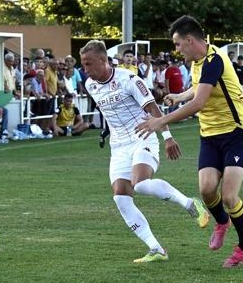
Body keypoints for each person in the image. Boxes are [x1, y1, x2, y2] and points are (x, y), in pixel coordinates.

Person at [135, 15, 243, 268]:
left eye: (178, 44)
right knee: (206, 189)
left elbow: (199, 102)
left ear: (190, 40)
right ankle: (222, 222)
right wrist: (180, 96)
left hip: (237, 135)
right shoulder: (197, 61)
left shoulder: (214, 61)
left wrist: (161, 121)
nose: (176, 49)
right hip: (210, 136)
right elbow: (200, 89)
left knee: (230, 197)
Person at [79, 39, 209, 263]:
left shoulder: (128, 79)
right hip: (119, 145)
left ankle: (189, 203)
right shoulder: (90, 85)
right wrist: (105, 133)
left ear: (103, 60)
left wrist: (167, 137)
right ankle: (156, 248)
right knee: (121, 197)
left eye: (89, 64)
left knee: (140, 184)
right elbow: (111, 115)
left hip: (143, 136)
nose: (85, 69)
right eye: (83, 64)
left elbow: (152, 108)